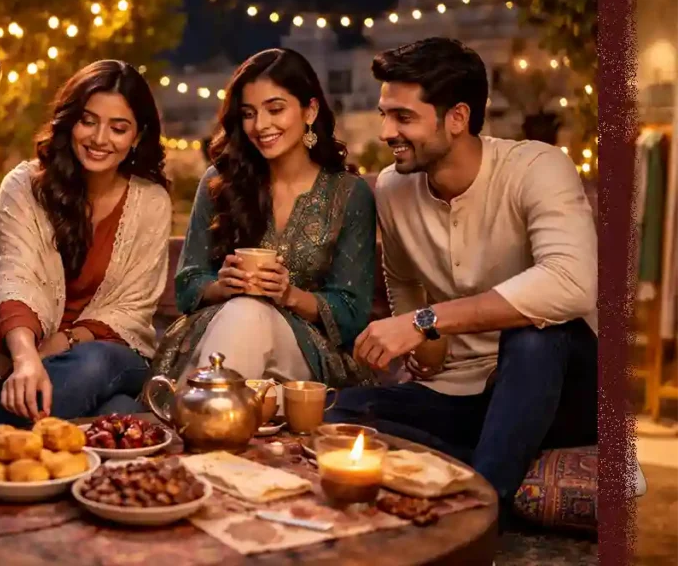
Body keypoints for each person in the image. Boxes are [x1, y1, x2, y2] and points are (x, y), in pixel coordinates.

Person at [328, 37, 600, 518]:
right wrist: (423, 347)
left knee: (533, 337)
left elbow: (571, 283)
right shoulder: (393, 189)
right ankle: (482, 464)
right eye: (384, 114)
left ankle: (480, 511)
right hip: (463, 393)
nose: (387, 131)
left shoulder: (538, 167)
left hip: (558, 384)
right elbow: (407, 296)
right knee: (345, 412)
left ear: (457, 117)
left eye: (403, 117)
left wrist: (425, 321)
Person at [0, 60, 172, 440]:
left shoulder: (151, 202)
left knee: (93, 363)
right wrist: (27, 357)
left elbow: (130, 312)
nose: (100, 138)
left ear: (136, 137)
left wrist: (63, 343)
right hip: (24, 362)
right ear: (70, 122)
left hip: (115, 355)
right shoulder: (24, 185)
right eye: (88, 121)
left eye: (118, 128)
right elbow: (11, 278)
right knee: (119, 414)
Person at [149, 48, 377, 395]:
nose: (261, 125)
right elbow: (187, 285)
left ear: (310, 110)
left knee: (249, 313)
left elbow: (351, 311)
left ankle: (198, 421)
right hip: (217, 336)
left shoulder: (348, 194)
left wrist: (289, 295)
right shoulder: (221, 181)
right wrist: (222, 285)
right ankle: (213, 423)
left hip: (305, 357)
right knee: (243, 311)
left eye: (275, 109)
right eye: (249, 113)